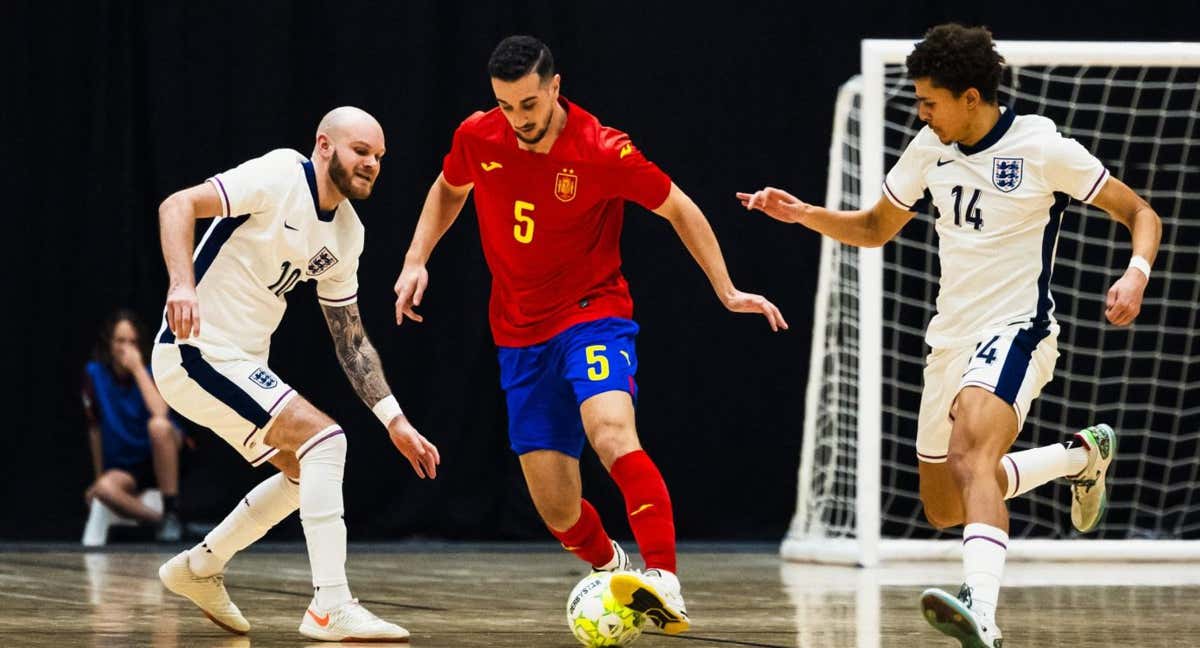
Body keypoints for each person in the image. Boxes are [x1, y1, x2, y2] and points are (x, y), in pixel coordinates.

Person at [739, 24, 1161, 648]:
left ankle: (982, 615)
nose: (921, 111)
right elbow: (877, 227)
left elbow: (1140, 213)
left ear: (971, 97)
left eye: (930, 100)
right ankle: (1079, 456)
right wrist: (803, 214)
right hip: (950, 340)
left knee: (972, 454)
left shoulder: (1040, 145)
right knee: (947, 504)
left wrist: (1136, 273)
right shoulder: (927, 148)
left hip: (1019, 329)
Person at [394, 35, 787, 635]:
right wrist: (417, 258)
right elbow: (449, 188)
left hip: (590, 315)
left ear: (555, 87)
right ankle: (613, 568)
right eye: (505, 105)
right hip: (519, 334)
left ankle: (664, 579)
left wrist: (727, 289)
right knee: (556, 509)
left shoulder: (603, 150)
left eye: (528, 103)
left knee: (609, 432)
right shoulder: (478, 135)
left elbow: (680, 207)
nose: (518, 119)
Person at [151, 106, 439, 642]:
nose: (372, 163)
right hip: (195, 349)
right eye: (361, 150)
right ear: (324, 145)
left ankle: (200, 567)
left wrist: (395, 420)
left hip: (240, 363)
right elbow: (179, 203)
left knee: (306, 471)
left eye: (379, 156)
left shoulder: (347, 235)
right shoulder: (281, 173)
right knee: (325, 440)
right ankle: (330, 605)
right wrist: (181, 284)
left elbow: (351, 344)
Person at [83, 309, 183, 542]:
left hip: (160, 454)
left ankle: (171, 507)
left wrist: (137, 369)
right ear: (110, 343)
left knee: (158, 426)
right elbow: (94, 430)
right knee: (104, 488)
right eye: (120, 341)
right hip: (128, 466)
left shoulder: (149, 372)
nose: (126, 347)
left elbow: (161, 413)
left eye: (132, 342)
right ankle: (162, 520)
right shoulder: (95, 374)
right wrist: (99, 476)